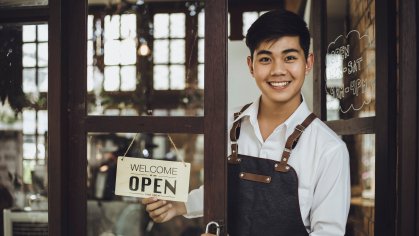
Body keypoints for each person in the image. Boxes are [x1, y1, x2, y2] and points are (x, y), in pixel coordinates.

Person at [142, 9, 350, 235]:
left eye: (289, 57)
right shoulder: (226, 124)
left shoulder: (329, 149)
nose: (278, 70)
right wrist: (178, 206)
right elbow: (225, 191)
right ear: (251, 66)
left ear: (308, 63)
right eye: (265, 59)